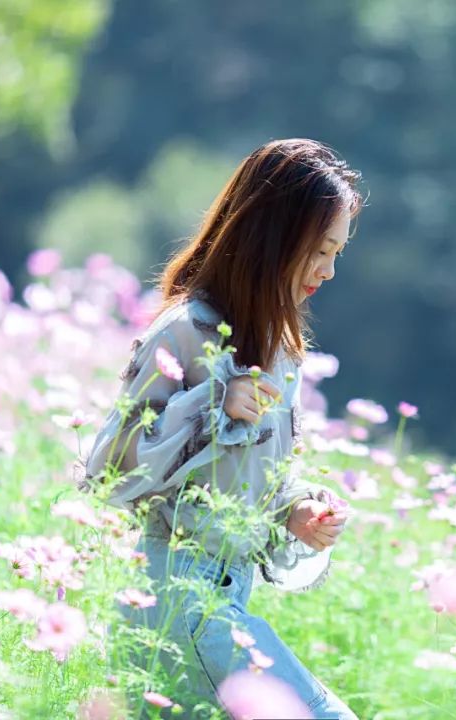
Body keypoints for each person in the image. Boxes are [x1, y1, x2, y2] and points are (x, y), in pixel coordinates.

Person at [82, 138, 362, 719]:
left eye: (337, 252)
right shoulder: (185, 330)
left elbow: (246, 475)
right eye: (319, 250)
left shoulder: (279, 348)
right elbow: (110, 464)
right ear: (271, 238)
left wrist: (295, 511)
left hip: (226, 594)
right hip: (179, 595)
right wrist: (213, 403)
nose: (329, 270)